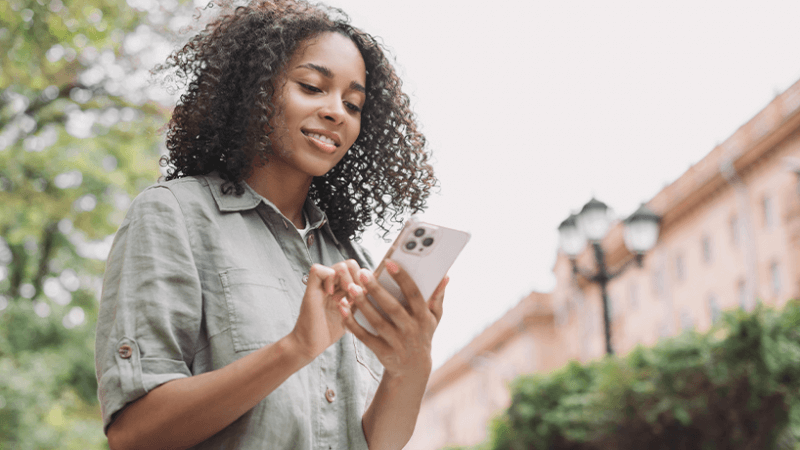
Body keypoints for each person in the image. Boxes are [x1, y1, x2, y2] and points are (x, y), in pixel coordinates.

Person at [93, 0, 446, 449]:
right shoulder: (174, 216)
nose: (337, 111)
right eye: (312, 87)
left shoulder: (352, 260)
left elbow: (376, 443)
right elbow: (133, 434)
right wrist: (294, 348)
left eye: (353, 103)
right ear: (255, 91)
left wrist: (410, 364)